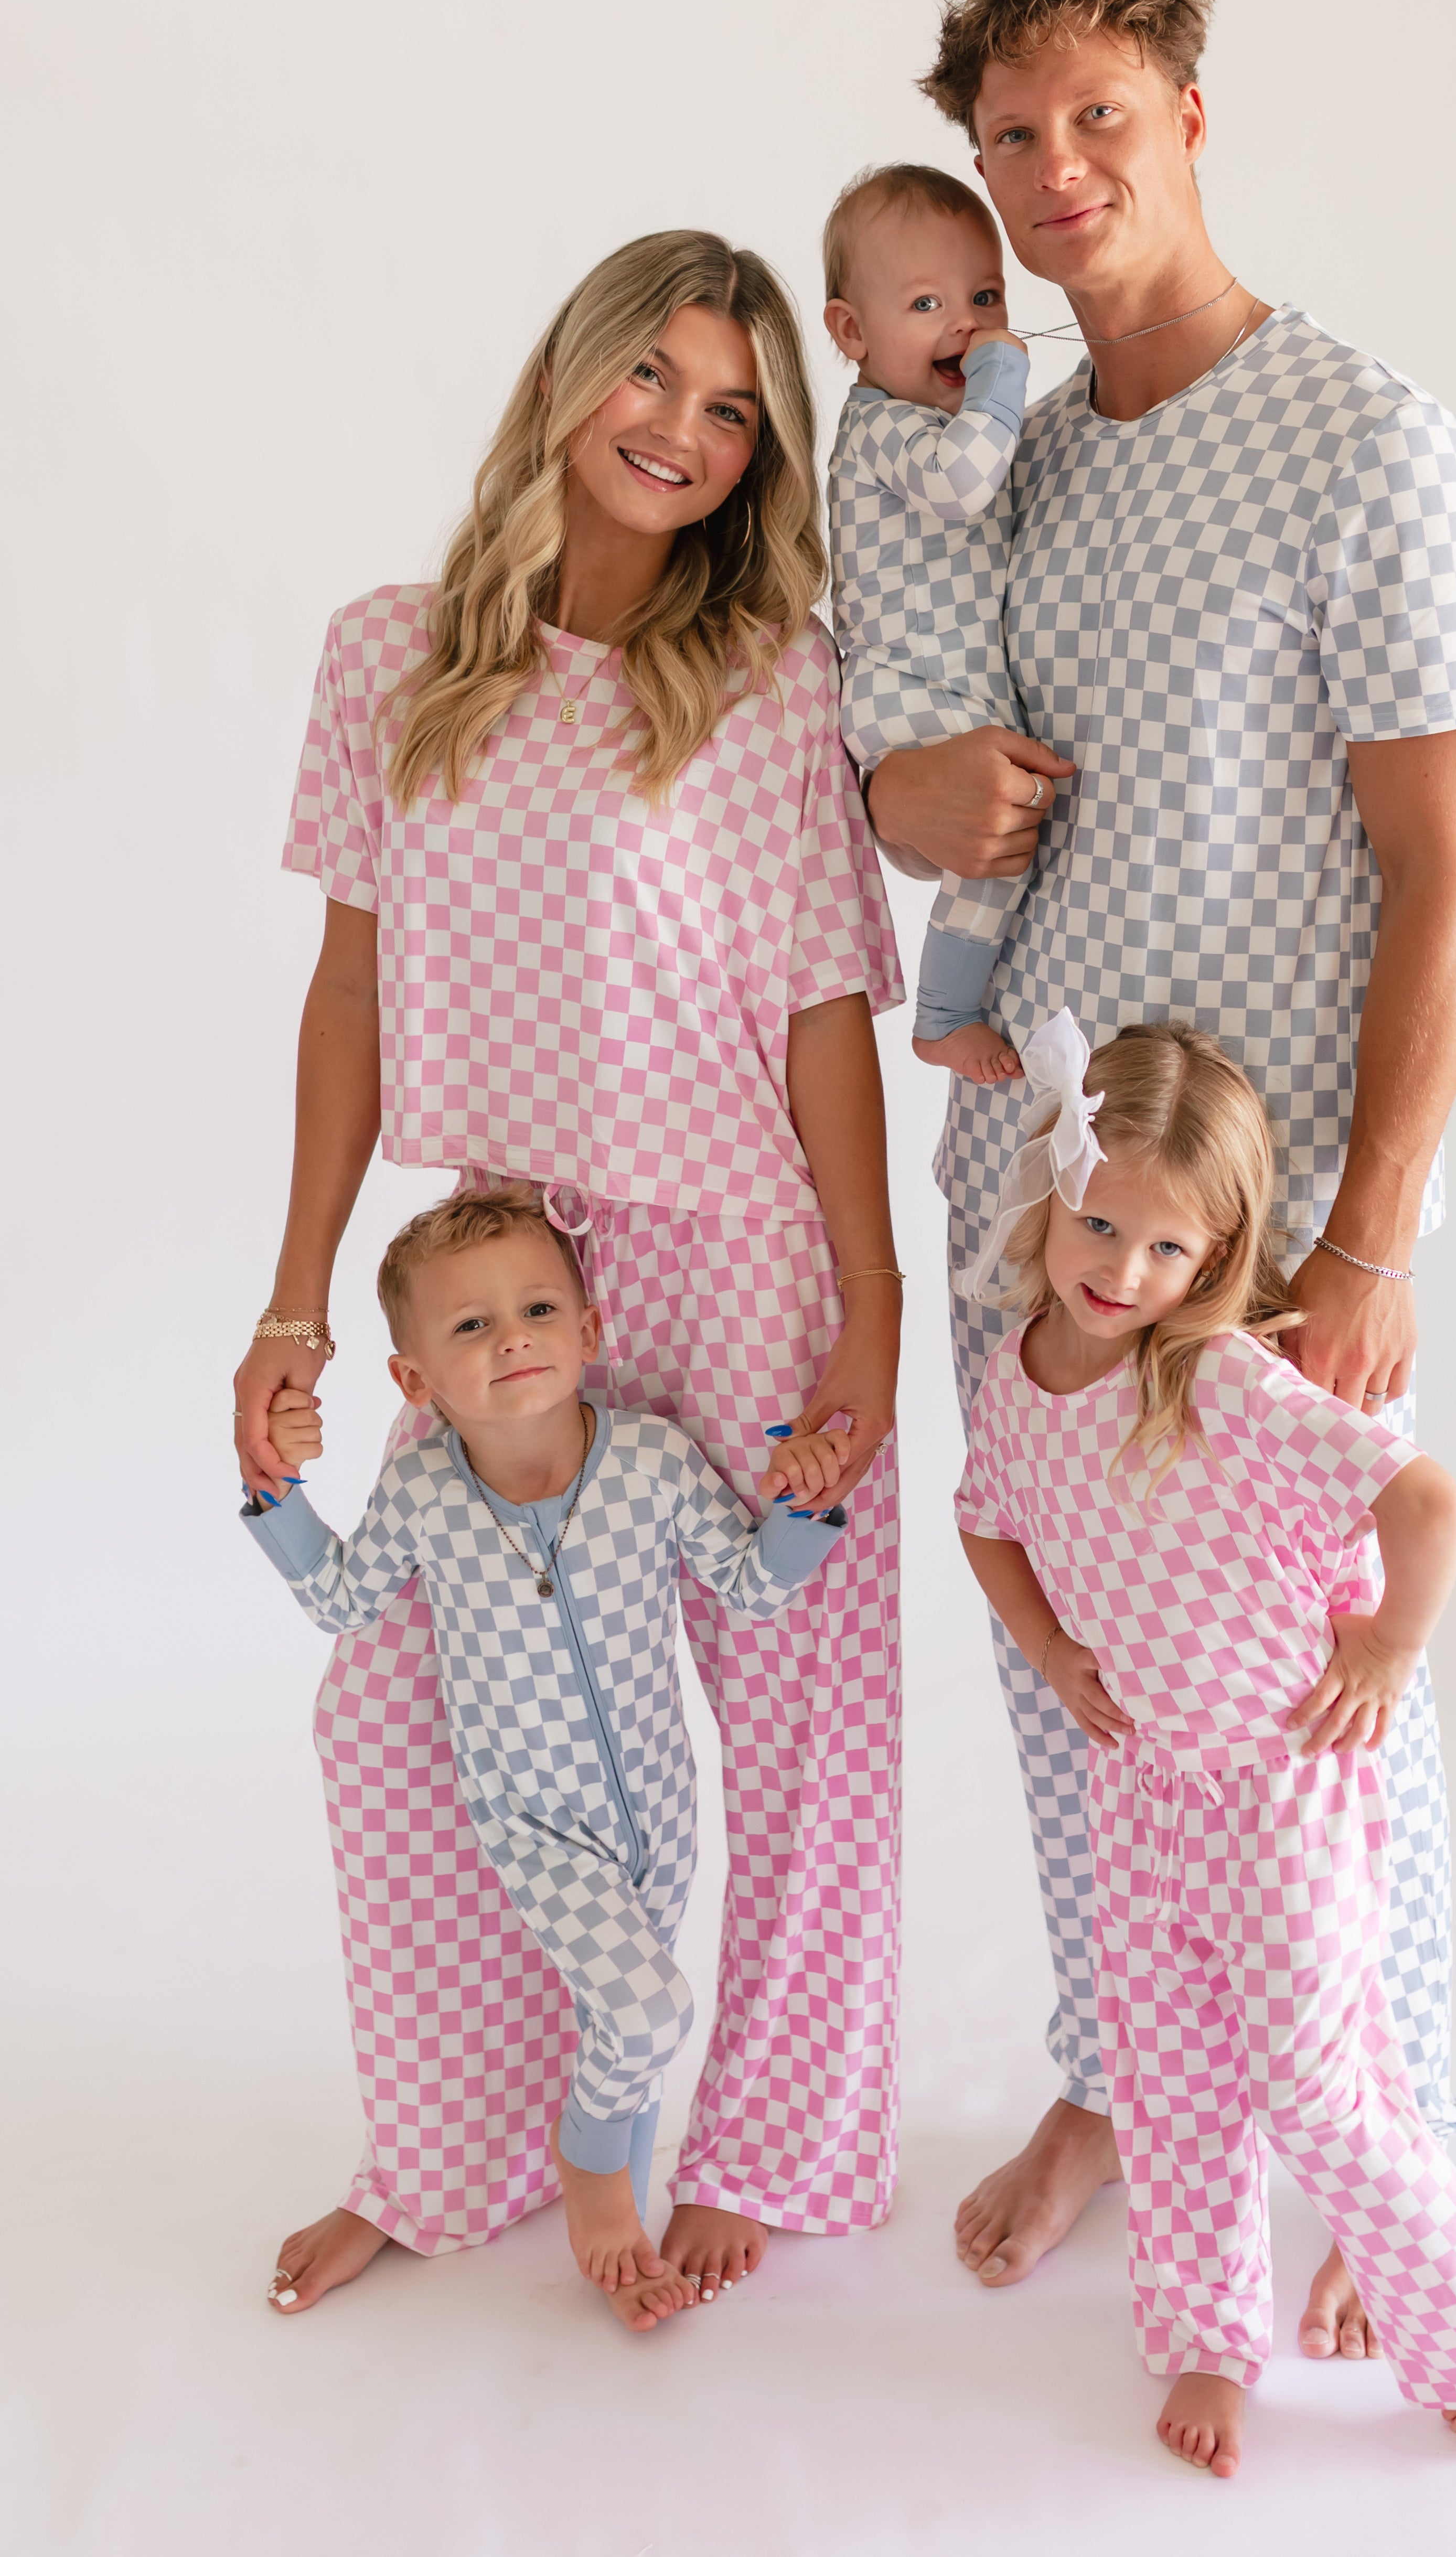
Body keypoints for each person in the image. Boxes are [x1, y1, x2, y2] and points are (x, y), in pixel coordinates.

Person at [846, 0, 1456, 2356]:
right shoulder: (997, 456)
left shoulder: (1371, 444)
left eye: (1096, 116)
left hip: (1264, 1221)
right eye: (1009, 133)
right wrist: (898, 792)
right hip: (1039, 1196)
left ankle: (1380, 2126)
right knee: (1088, 1684)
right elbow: (912, 765)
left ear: (1192, 115)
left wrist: (1373, 1236)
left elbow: (1448, 870)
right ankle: (1125, 2078)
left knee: (1326, 1697)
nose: (1052, 170)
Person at [234, 230, 906, 2315]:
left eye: (734, 411)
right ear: (568, 376)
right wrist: (294, 1298)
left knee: (797, 1715)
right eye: (652, 378)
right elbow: (347, 989)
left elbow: (822, 1010)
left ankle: (768, 2142)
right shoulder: (388, 655)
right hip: (514, 1249)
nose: (683, 432)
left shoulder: (777, 674)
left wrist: (870, 1309)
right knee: (401, 1716)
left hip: (742, 1240)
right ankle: (452, 2152)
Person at [956, 1015, 1456, 2470]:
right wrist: (1048, 1645)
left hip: (1275, 1798)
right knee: (1168, 2081)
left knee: (1320, 2090)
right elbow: (984, 1518)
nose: (1121, 1269)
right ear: (1052, 1186)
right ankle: (1205, 2337)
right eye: (1099, 1222)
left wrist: (1385, 1650)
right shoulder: (1016, 1375)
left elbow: (1422, 1500)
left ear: (1213, 1259)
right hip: (1139, 1797)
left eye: (1166, 1249)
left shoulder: (1220, 1384)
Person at [245, 1186, 854, 2330]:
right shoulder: (425, 1491)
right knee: (649, 2010)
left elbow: (748, 1584)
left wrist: (806, 1506)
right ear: (415, 1379)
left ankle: (623, 2243)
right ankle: (596, 2186)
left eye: (535, 1309)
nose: (512, 1337)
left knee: (627, 2024)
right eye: (470, 1325)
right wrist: (276, 1492)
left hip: (660, 1809)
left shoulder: (654, 1461)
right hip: (531, 1821)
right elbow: (341, 1598)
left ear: (591, 1329)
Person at [822, 162, 1030, 1086]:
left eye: (985, 297)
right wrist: (1003, 374)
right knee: (1001, 837)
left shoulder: (940, 426)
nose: (964, 324)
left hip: (940, 685)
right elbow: (962, 480)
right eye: (924, 303)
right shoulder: (882, 429)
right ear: (851, 332)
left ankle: (951, 1008)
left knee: (1004, 841)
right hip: (906, 688)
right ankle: (943, 1015)